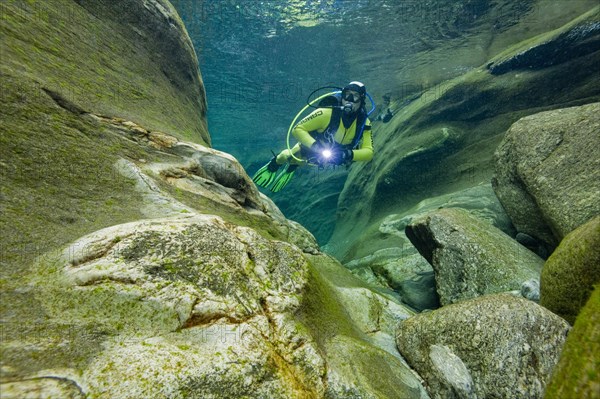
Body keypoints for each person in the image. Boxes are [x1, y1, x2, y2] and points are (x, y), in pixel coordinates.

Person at [253, 81, 374, 192]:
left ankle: (291, 168)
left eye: (355, 96)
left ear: (362, 100)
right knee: (289, 156)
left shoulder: (364, 122)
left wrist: (347, 154)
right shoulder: (327, 112)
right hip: (311, 146)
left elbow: (369, 153)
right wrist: (315, 146)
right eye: (347, 95)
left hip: (331, 156)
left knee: (301, 161)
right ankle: (274, 165)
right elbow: (298, 129)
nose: (349, 100)